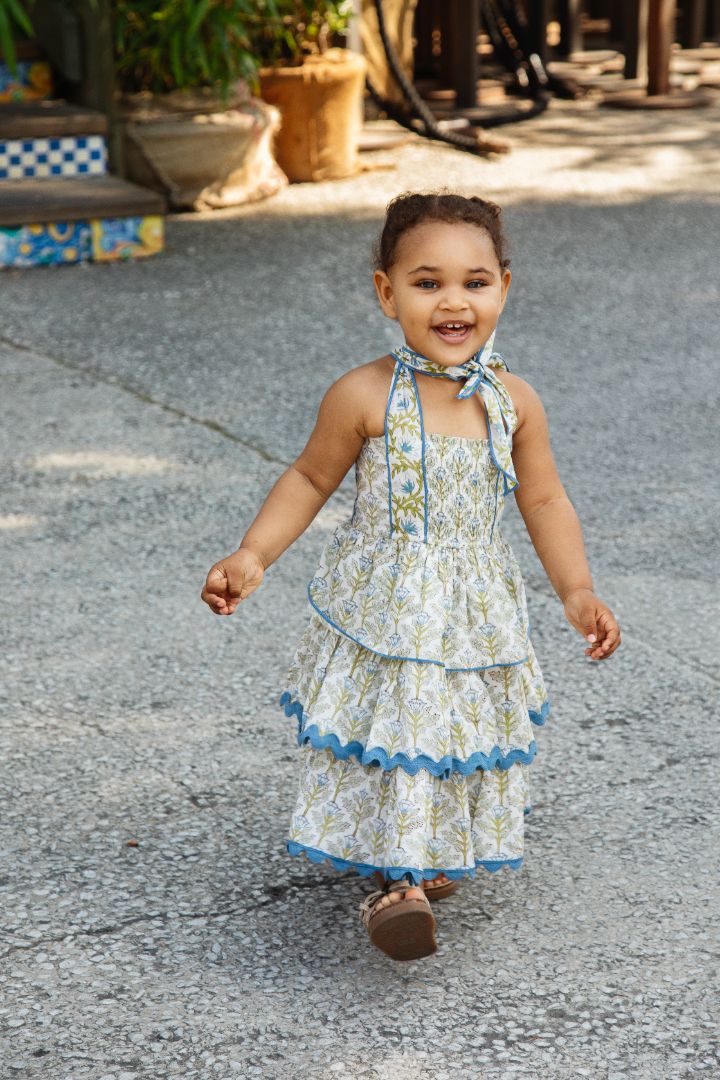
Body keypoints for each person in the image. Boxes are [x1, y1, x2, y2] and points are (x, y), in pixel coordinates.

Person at [201, 190, 621, 963]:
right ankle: (397, 884)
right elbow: (307, 478)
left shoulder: (513, 402)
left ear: (504, 286)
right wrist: (252, 554)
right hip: (388, 605)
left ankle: (428, 848)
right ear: (386, 292)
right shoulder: (363, 395)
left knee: (452, 724)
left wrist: (577, 590)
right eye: (427, 283)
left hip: (471, 607)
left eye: (475, 281)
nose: (453, 300)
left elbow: (545, 497)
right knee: (401, 727)